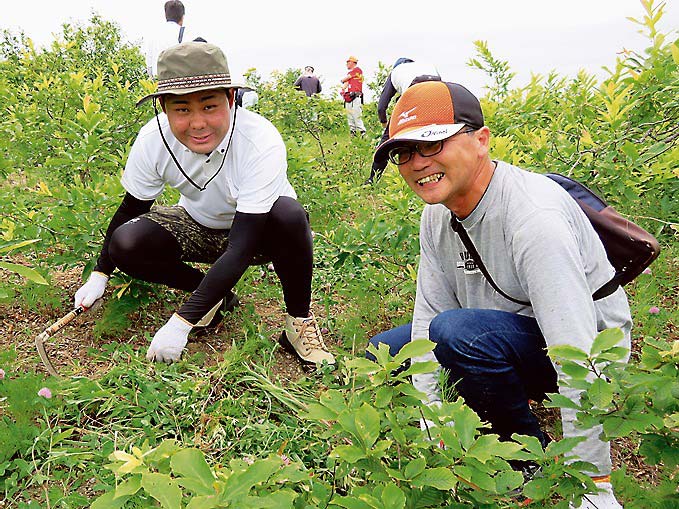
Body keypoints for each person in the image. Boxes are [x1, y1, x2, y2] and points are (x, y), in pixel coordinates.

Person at [369, 81, 630, 508]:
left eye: (432, 144)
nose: (417, 164)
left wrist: (594, 483)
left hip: (587, 344)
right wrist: (431, 422)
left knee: (458, 334)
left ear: (481, 141)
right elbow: (427, 314)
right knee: (386, 351)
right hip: (508, 325)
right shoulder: (436, 214)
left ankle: (528, 453)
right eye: (405, 152)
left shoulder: (534, 220)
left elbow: (578, 351)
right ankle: (492, 399)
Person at [74, 42, 335, 367]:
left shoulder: (259, 140)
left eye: (209, 107)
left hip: (258, 232)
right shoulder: (153, 139)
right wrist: (100, 274)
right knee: (126, 241)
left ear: (229, 100)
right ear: (164, 108)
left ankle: (298, 324)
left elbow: (240, 247)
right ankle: (214, 299)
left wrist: (180, 323)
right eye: (182, 109)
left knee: (289, 214)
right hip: (197, 223)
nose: (197, 123)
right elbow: (131, 207)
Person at [365, 58, 440, 185]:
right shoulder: (426, 64)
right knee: (437, 136)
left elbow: (382, 106)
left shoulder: (396, 72)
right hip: (438, 89)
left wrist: (385, 124)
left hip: (414, 89)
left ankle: (372, 180)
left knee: (387, 139)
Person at [144, 1, 194, 77]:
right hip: (176, 83)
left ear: (165, 15)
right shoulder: (185, 33)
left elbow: (149, 67)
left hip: (158, 83)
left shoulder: (154, 35)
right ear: (182, 17)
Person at [340, 56, 365, 136]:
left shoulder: (357, 70)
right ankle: (352, 133)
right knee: (350, 115)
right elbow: (346, 83)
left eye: (348, 62)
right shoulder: (351, 73)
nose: (346, 64)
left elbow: (345, 79)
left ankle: (362, 133)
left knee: (357, 114)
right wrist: (342, 90)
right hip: (350, 96)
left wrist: (342, 81)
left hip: (356, 95)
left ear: (352, 62)